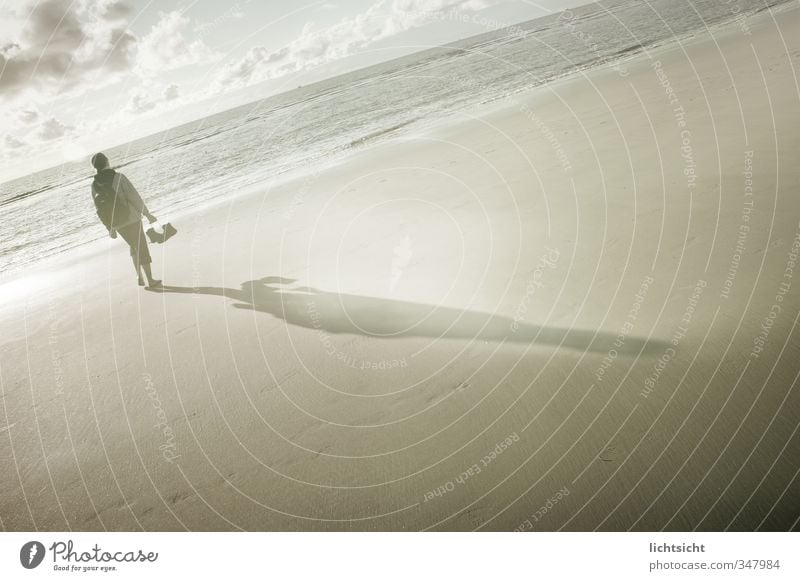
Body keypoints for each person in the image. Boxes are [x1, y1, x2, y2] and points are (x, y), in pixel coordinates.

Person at [90, 152, 161, 288]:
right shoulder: (119, 177)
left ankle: (139, 276)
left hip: (117, 223)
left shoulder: (94, 185)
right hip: (132, 219)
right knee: (141, 247)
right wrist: (147, 214)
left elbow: (99, 210)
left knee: (133, 245)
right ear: (107, 162)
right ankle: (150, 280)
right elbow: (134, 197)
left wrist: (110, 227)